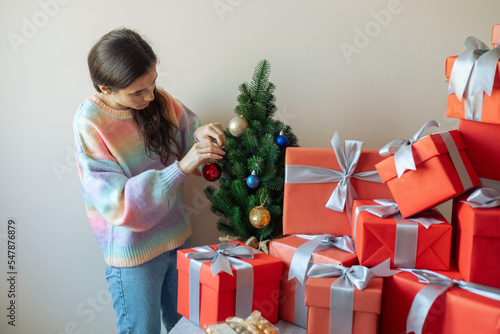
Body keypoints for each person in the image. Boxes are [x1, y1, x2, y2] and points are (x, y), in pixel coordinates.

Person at [73, 27, 226, 333]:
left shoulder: (158, 101)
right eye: (138, 92)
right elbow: (119, 205)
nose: (150, 96)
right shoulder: (90, 124)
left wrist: (202, 135)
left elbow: (188, 131)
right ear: (105, 89)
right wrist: (182, 167)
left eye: (153, 83)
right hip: (134, 256)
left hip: (178, 241)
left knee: (189, 327)